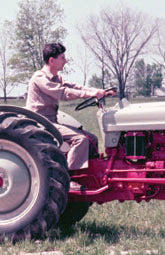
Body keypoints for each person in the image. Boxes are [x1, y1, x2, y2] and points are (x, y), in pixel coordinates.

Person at [26, 42, 115, 172]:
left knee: (92, 139)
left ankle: (93, 175)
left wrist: (99, 91)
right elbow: (62, 93)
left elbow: (75, 87)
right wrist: (89, 94)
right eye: (62, 58)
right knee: (80, 139)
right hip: (41, 123)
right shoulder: (40, 77)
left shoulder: (56, 78)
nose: (65, 61)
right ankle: (70, 178)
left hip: (52, 122)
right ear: (52, 60)